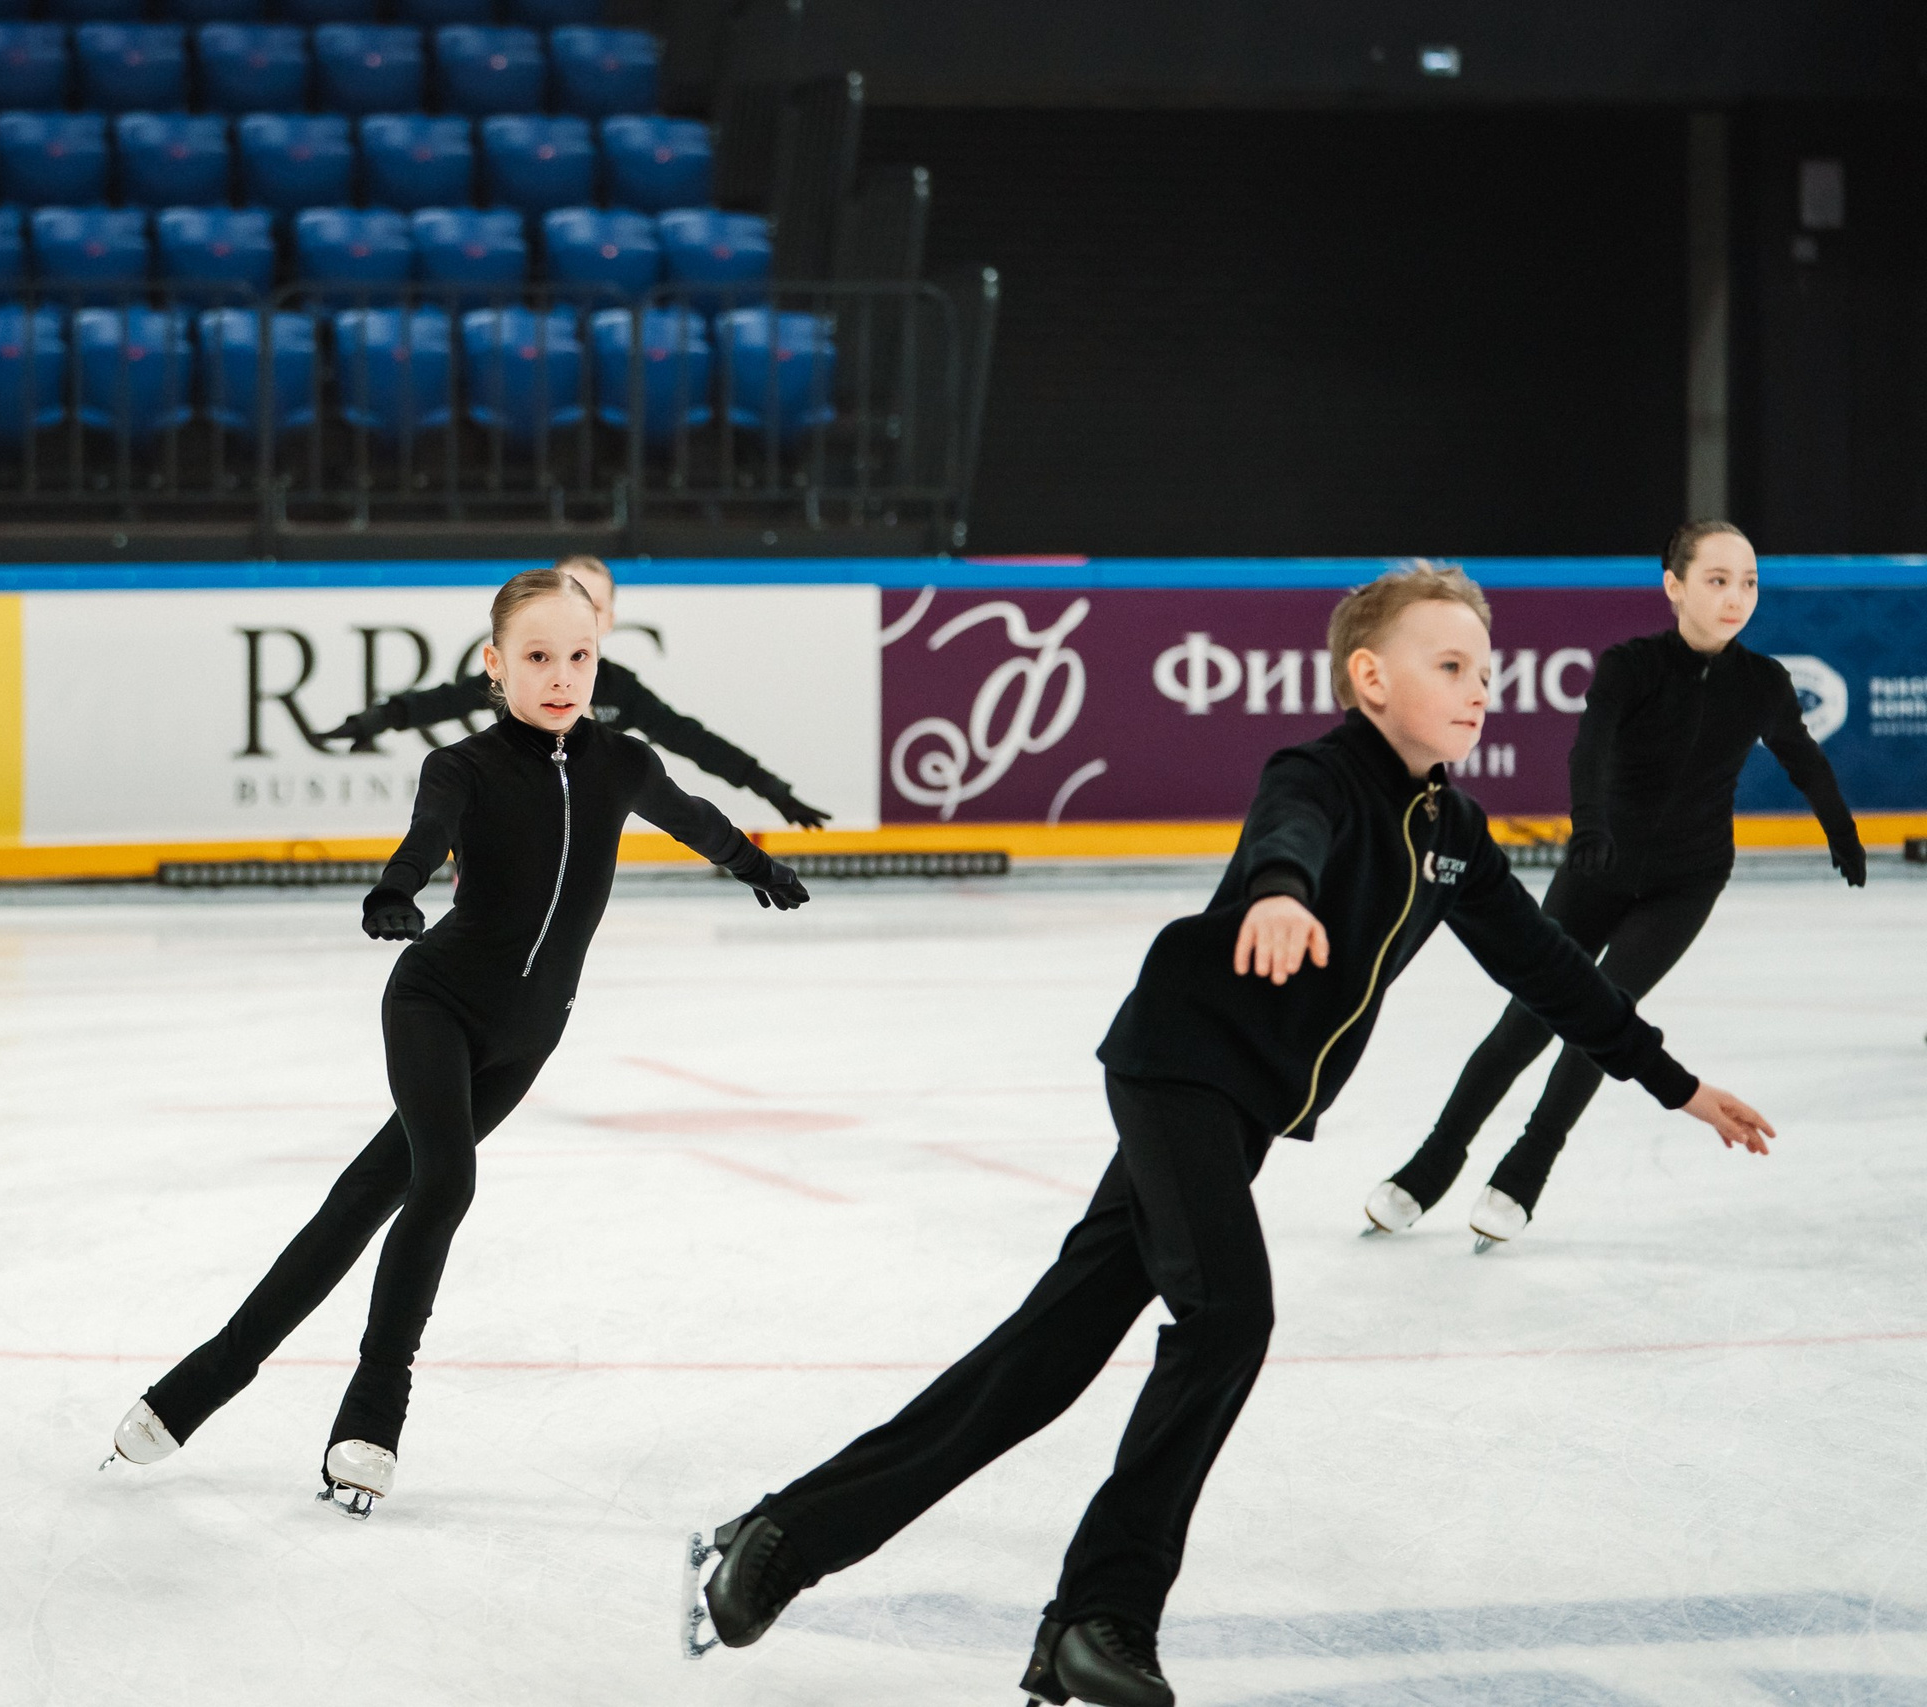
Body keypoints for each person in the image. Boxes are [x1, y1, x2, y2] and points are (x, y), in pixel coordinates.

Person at [686, 564, 1774, 1707]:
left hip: (1230, 1105)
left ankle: (779, 1540)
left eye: (1485, 672)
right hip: (1177, 1071)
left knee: (1043, 1360)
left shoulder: (1450, 828)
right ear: (1369, 677)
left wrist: (1672, 1082)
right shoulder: (1320, 772)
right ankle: (1100, 1615)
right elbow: (1285, 829)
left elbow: (1550, 972)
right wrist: (1277, 893)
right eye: (1449, 667)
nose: (1477, 691)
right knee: (1229, 1315)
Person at [104, 565, 811, 1515]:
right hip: (435, 1004)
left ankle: (198, 1383)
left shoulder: (621, 762)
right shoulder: (465, 767)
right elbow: (426, 835)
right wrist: (395, 892)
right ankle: (372, 1418)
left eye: (580, 656)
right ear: (494, 664)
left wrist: (756, 864)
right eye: (538, 657)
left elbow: (696, 819)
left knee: (361, 1199)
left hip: (529, 1038)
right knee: (444, 1182)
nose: (562, 676)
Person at [1364, 522, 1862, 1251]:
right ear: (1674, 584)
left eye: (1749, 582)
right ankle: (1433, 1161)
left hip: (1686, 882)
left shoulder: (1764, 684)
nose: (1736, 597)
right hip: (1599, 866)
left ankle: (1526, 1171)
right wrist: (1590, 828)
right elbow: (1590, 748)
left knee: (1602, 1024)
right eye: (1718, 580)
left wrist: (1840, 828)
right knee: (1526, 1020)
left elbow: (1803, 758)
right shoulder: (1631, 666)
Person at [323, 555, 835, 831]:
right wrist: (379, 718)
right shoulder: (522, 672)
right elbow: (451, 698)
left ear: (608, 620)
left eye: (590, 602)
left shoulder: (621, 690)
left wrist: (768, 786)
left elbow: (691, 739)